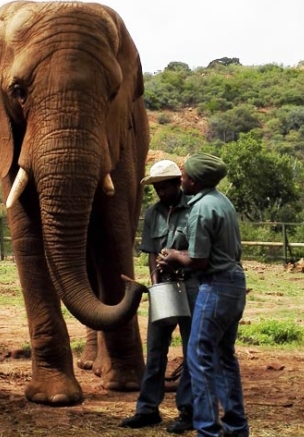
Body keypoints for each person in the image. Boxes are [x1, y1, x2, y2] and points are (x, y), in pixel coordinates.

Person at [157, 152, 250, 437]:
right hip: (235, 284)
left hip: (216, 286)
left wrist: (173, 256)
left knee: (199, 357)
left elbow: (199, 261)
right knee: (224, 357)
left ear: (193, 182)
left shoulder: (199, 209)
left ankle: (207, 429)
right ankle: (236, 428)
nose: (180, 178)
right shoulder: (223, 202)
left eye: (183, 175)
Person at [120, 159, 198, 434]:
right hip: (163, 287)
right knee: (155, 349)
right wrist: (155, 282)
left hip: (191, 286)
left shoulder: (194, 210)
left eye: (165, 186)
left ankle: (188, 411)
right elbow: (152, 252)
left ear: (177, 183)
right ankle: (147, 409)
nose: (161, 192)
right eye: (157, 188)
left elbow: (199, 253)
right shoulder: (153, 214)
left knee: (191, 350)